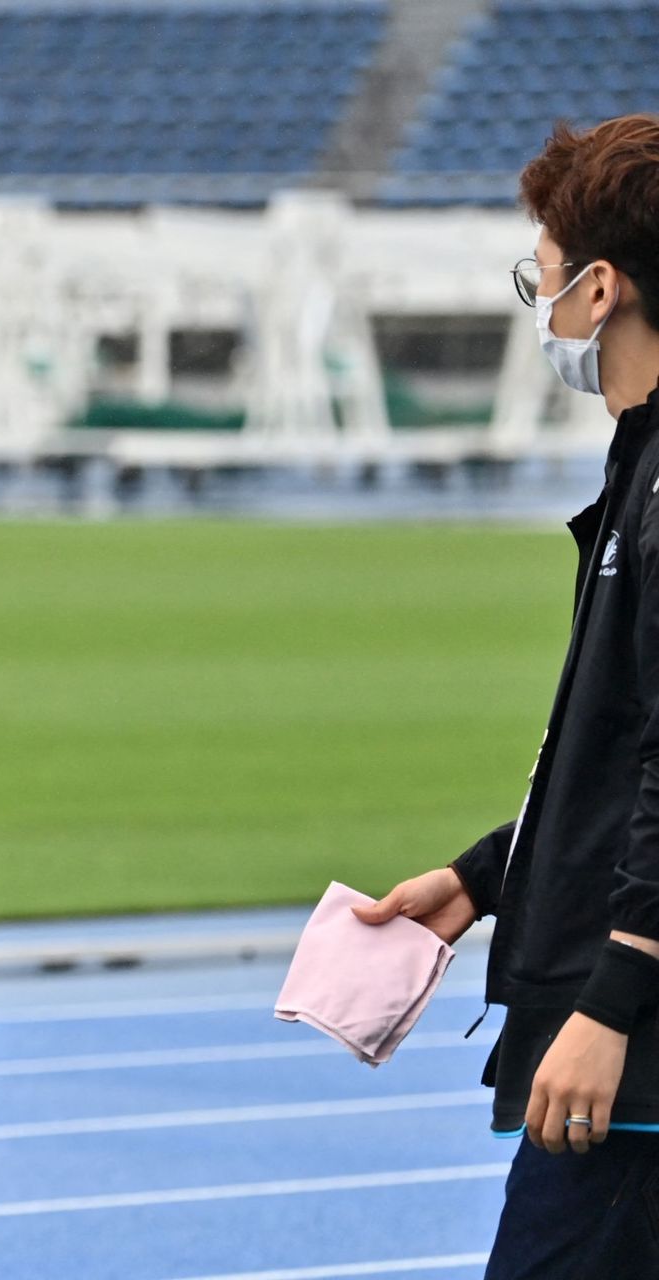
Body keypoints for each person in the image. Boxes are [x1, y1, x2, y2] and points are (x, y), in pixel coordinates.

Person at [356, 114, 659, 1278]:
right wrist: (488, 874)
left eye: (538, 268)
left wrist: (614, 1000)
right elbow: (616, 747)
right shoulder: (636, 462)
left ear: (602, 288)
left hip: (632, 1050)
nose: (534, 296)